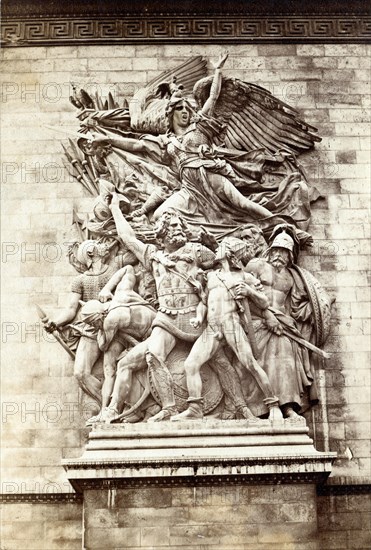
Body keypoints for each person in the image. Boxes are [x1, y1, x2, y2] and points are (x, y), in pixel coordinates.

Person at [89, 53, 295, 238]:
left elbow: (213, 97)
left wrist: (218, 70)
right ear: (170, 113)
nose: (185, 111)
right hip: (188, 188)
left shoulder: (200, 126)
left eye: (187, 108)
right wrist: (107, 140)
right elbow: (136, 146)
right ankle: (199, 238)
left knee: (242, 203)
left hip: (210, 176)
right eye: (180, 108)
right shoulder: (166, 141)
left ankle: (285, 227)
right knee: (161, 214)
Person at [171, 237, 283, 421]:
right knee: (191, 364)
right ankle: (195, 408)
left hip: (231, 325)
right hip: (212, 327)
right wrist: (199, 318)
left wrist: (249, 292)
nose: (218, 248)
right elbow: (204, 303)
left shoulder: (244, 277)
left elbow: (264, 302)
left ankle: (273, 404)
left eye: (222, 246)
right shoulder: (211, 276)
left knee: (250, 364)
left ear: (230, 253)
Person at [244, 230, 318, 420]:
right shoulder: (256, 265)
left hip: (283, 326)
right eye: (276, 250)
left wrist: (312, 309)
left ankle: (287, 406)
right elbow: (242, 290)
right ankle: (261, 408)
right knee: (260, 362)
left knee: (286, 363)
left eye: (284, 251)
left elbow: (295, 305)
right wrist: (267, 314)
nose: (279, 255)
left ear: (290, 255)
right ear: (270, 250)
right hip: (257, 321)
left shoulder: (292, 276)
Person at [79, 265, 157, 423]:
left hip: (154, 333)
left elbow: (102, 345)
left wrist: (98, 331)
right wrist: (107, 289)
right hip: (130, 330)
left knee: (123, 364)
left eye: (93, 324)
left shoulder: (109, 322)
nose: (94, 328)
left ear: (98, 318)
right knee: (108, 367)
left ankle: (116, 408)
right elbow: (128, 269)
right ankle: (105, 409)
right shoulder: (121, 292)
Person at [42, 240, 117, 404]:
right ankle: (108, 405)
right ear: (91, 253)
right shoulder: (80, 280)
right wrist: (56, 322)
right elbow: (71, 309)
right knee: (80, 373)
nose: (104, 246)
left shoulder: (113, 272)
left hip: (115, 327)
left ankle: (117, 405)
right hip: (90, 329)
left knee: (113, 369)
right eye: (98, 244)